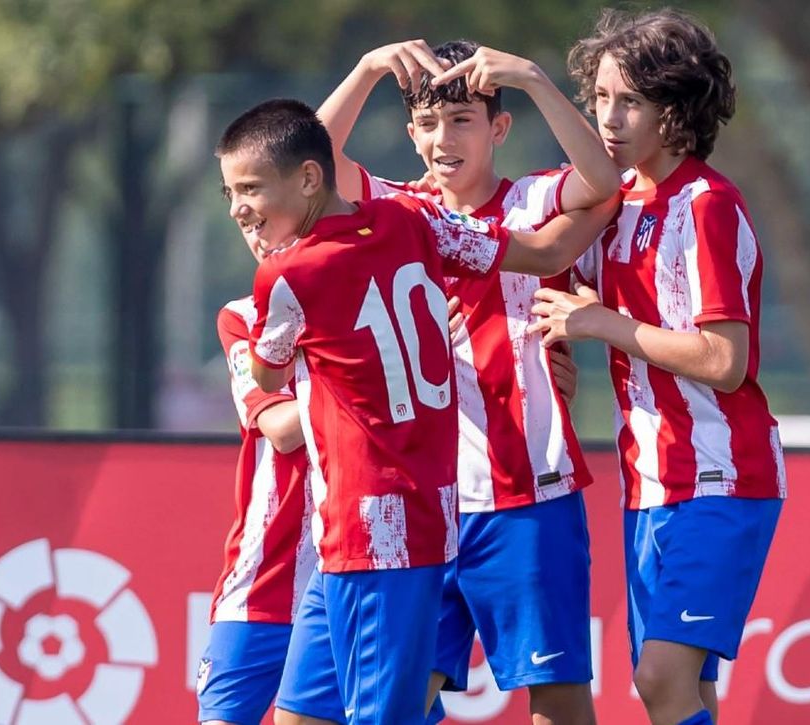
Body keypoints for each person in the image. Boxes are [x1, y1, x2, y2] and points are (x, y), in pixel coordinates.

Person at [217, 98, 604, 725]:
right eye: (232, 191)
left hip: (389, 525)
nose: (238, 208)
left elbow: (268, 373)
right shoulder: (411, 220)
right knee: (304, 715)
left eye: (250, 189)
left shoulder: (291, 272)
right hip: (371, 527)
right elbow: (536, 254)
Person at [317, 39, 620, 725]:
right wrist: (366, 67)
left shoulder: (535, 198)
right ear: (410, 133)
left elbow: (602, 180)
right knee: (402, 697)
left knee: (560, 699)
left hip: (529, 491)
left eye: (461, 120)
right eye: (428, 123)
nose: (441, 139)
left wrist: (535, 76)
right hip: (424, 506)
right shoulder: (393, 210)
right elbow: (311, 162)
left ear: (498, 128)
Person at [529, 10, 787, 725]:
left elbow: (725, 361)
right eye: (600, 98)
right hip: (648, 484)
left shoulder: (708, 205)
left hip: (720, 475)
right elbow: (540, 268)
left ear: (678, 112)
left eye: (629, 101)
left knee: (659, 679)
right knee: (686, 692)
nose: (607, 118)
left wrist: (602, 322)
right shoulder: (615, 204)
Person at [195, 221, 323, 725]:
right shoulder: (242, 317)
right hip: (262, 581)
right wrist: (368, 368)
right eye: (245, 218)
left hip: (360, 572)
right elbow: (282, 428)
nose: (257, 230)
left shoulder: (373, 299)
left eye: (267, 210)